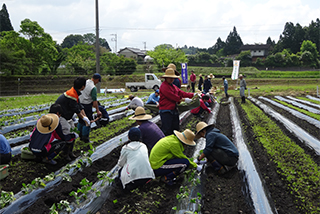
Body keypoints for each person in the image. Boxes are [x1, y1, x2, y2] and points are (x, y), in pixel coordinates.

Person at [159, 68, 196, 136]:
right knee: (167, 129)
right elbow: (173, 97)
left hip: (173, 109)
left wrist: (193, 95)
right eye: (170, 78)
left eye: (172, 78)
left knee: (175, 128)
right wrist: (184, 100)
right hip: (166, 111)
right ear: (166, 78)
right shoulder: (164, 86)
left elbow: (181, 92)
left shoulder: (173, 86)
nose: (172, 79)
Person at [78, 73, 102, 143]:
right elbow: (95, 102)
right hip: (87, 106)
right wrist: (98, 111)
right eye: (98, 81)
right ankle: (85, 138)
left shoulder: (85, 82)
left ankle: (80, 136)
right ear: (96, 79)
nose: (97, 83)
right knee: (87, 122)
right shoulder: (93, 88)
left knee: (81, 120)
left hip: (79, 104)